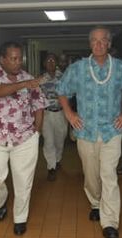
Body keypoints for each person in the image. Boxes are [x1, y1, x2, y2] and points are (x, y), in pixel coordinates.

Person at [56, 25, 122, 238]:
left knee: (109, 175)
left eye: (102, 40)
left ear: (109, 43)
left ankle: (110, 222)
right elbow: (61, 91)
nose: (98, 44)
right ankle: (95, 202)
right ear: (90, 44)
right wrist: (69, 114)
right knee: (91, 175)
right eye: (94, 41)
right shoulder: (77, 68)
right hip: (85, 132)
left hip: (111, 131)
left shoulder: (121, 69)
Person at [0, 41, 48, 235]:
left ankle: (20, 218)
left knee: (23, 180)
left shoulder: (28, 77)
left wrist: (37, 130)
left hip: (25, 138)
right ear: (2, 59)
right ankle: (1, 199)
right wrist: (25, 84)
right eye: (13, 58)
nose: (18, 62)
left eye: (19, 58)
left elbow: (39, 104)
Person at [40, 53, 68, 181]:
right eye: (48, 60)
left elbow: (70, 95)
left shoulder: (63, 77)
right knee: (49, 141)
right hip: (47, 114)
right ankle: (51, 167)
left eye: (53, 60)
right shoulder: (40, 79)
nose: (50, 62)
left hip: (61, 113)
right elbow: (35, 99)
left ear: (56, 62)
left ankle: (57, 159)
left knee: (60, 140)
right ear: (44, 63)